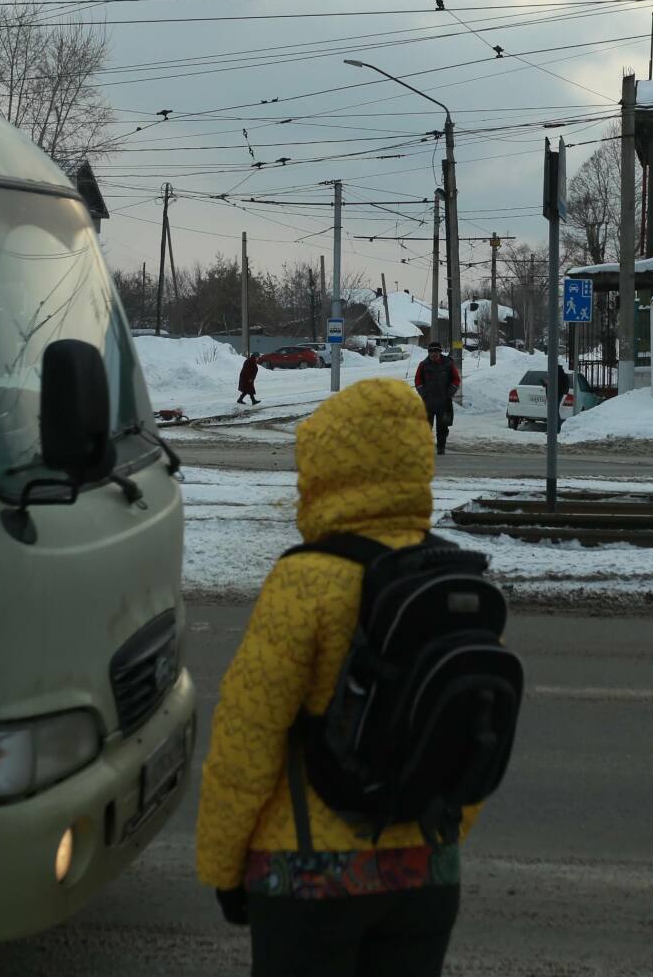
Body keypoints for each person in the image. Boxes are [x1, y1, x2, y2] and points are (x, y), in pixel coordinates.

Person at [196, 379, 478, 976]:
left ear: (326, 467)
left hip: (307, 877)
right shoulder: (452, 580)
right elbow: (471, 740)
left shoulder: (305, 581)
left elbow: (246, 740)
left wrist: (224, 867)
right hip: (427, 877)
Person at [412, 342, 461, 455]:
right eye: (431, 351)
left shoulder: (448, 364)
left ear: (440, 351)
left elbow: (456, 379)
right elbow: (418, 380)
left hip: (444, 402)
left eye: (436, 351)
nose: (433, 353)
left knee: (443, 427)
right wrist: (423, 393)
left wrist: (450, 393)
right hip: (428, 402)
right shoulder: (423, 365)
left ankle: (441, 447)